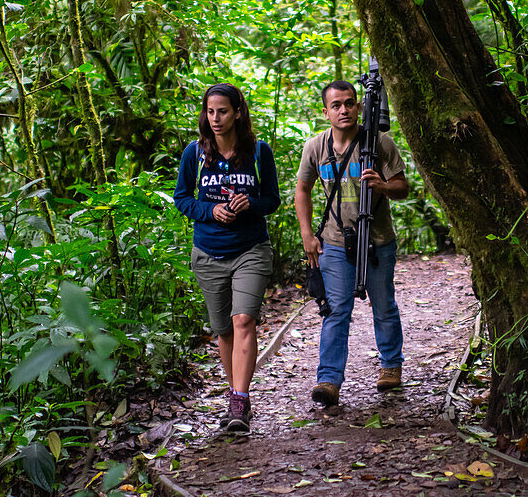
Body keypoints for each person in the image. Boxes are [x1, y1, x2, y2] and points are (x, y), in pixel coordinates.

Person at [294, 78, 409, 407]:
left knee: (383, 305)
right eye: (336, 105)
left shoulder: (379, 143)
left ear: (359, 106)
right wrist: (307, 234)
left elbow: (403, 187)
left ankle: (390, 366)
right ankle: (328, 379)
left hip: (377, 240)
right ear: (326, 111)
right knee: (335, 310)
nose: (343, 110)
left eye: (349, 103)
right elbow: (302, 189)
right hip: (333, 241)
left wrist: (383, 186)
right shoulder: (316, 147)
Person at [175, 83, 280, 432]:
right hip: (207, 253)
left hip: (250, 249)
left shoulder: (259, 151)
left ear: (237, 112)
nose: (216, 118)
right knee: (224, 331)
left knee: (243, 322)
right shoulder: (194, 153)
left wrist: (250, 204)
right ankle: (235, 392)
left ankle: (239, 401)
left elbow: (272, 200)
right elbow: (182, 200)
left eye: (222, 111)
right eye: (210, 111)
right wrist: (211, 209)